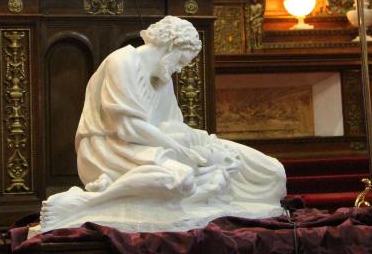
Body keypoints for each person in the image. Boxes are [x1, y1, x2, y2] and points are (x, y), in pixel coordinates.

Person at [38, 16, 286, 233]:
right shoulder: (122, 62)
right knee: (180, 177)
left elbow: (173, 126)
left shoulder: (162, 78)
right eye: (181, 60)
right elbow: (128, 128)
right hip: (110, 148)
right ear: (170, 46)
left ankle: (200, 192)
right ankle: (89, 203)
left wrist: (206, 145)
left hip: (152, 146)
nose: (180, 68)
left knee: (270, 174)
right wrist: (181, 151)